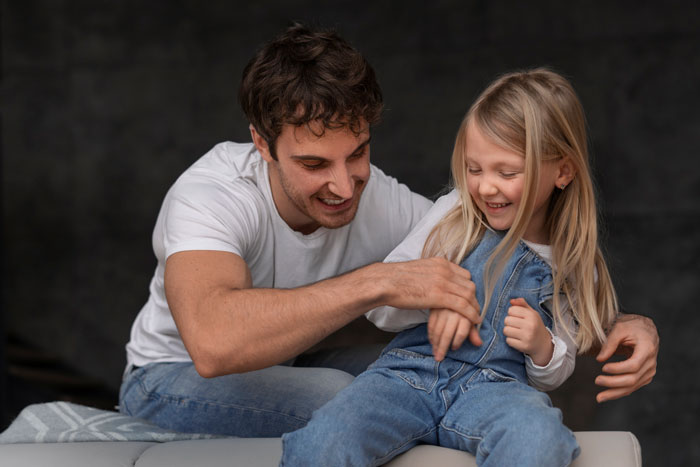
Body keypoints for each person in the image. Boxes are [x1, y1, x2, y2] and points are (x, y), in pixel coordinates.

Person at [118, 24, 658, 438]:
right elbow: (213, 345)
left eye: (356, 155)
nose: (343, 186)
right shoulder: (213, 194)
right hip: (171, 376)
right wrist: (382, 281)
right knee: (348, 397)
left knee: (445, 372)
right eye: (313, 165)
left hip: (294, 361)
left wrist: (623, 323)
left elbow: (503, 265)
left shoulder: (379, 195)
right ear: (262, 144)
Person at [280, 69, 629, 466]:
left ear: (563, 172)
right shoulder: (455, 213)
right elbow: (381, 308)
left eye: (507, 172)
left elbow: (557, 369)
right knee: (325, 438)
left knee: (540, 436)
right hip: (409, 374)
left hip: (495, 391)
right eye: (474, 169)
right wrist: (433, 296)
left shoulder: (572, 262)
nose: (485, 187)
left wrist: (543, 348)